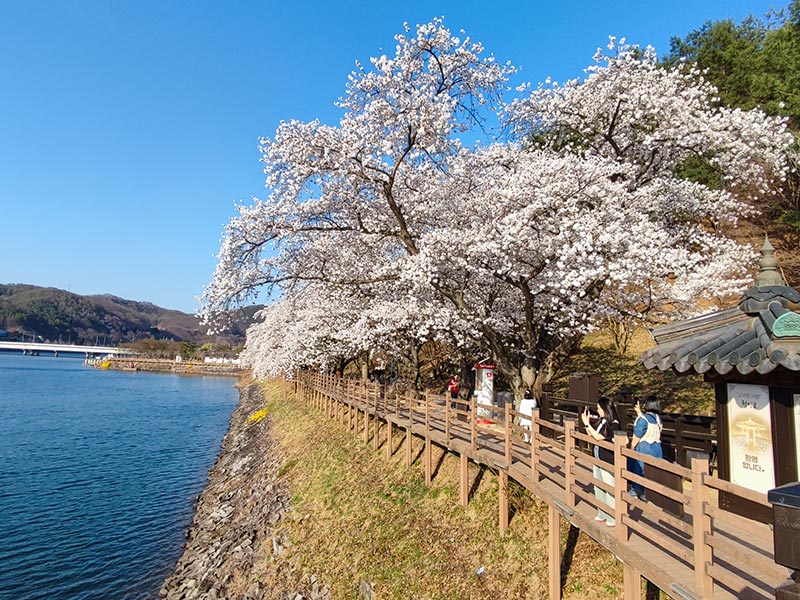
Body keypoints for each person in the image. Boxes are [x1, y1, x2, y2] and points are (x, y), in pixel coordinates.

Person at [581, 396, 620, 526]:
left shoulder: (614, 424)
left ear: (605, 409)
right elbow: (592, 434)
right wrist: (586, 423)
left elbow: (599, 437)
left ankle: (613, 516)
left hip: (607, 459)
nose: (597, 411)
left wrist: (587, 424)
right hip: (598, 457)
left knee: (609, 486)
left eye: (599, 408)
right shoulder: (602, 421)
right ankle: (602, 512)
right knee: (598, 485)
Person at [628, 395, 663, 502]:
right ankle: (649, 492)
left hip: (644, 447)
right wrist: (639, 412)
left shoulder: (643, 420)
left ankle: (635, 490)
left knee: (639, 469)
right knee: (652, 470)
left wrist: (632, 447)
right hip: (656, 447)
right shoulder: (658, 419)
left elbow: (637, 435)